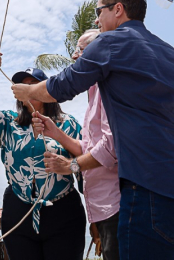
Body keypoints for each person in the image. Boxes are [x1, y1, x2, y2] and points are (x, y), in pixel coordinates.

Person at [10, 0, 174, 260]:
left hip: (154, 189)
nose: (97, 21)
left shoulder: (109, 43)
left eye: (99, 12)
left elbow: (62, 86)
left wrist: (28, 91)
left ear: (118, 10)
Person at [0, 56, 86, 260]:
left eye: (34, 85)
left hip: (63, 209)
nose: (28, 89)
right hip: (19, 208)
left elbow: (87, 161)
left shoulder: (68, 124)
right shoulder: (10, 122)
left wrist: (69, 165)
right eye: (23, 86)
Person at [38, 29, 120, 260]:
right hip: (104, 207)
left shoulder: (109, 89)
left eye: (81, 50)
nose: (74, 57)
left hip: (118, 205)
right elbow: (92, 147)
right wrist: (56, 133)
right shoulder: (95, 90)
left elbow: (109, 148)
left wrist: (70, 166)